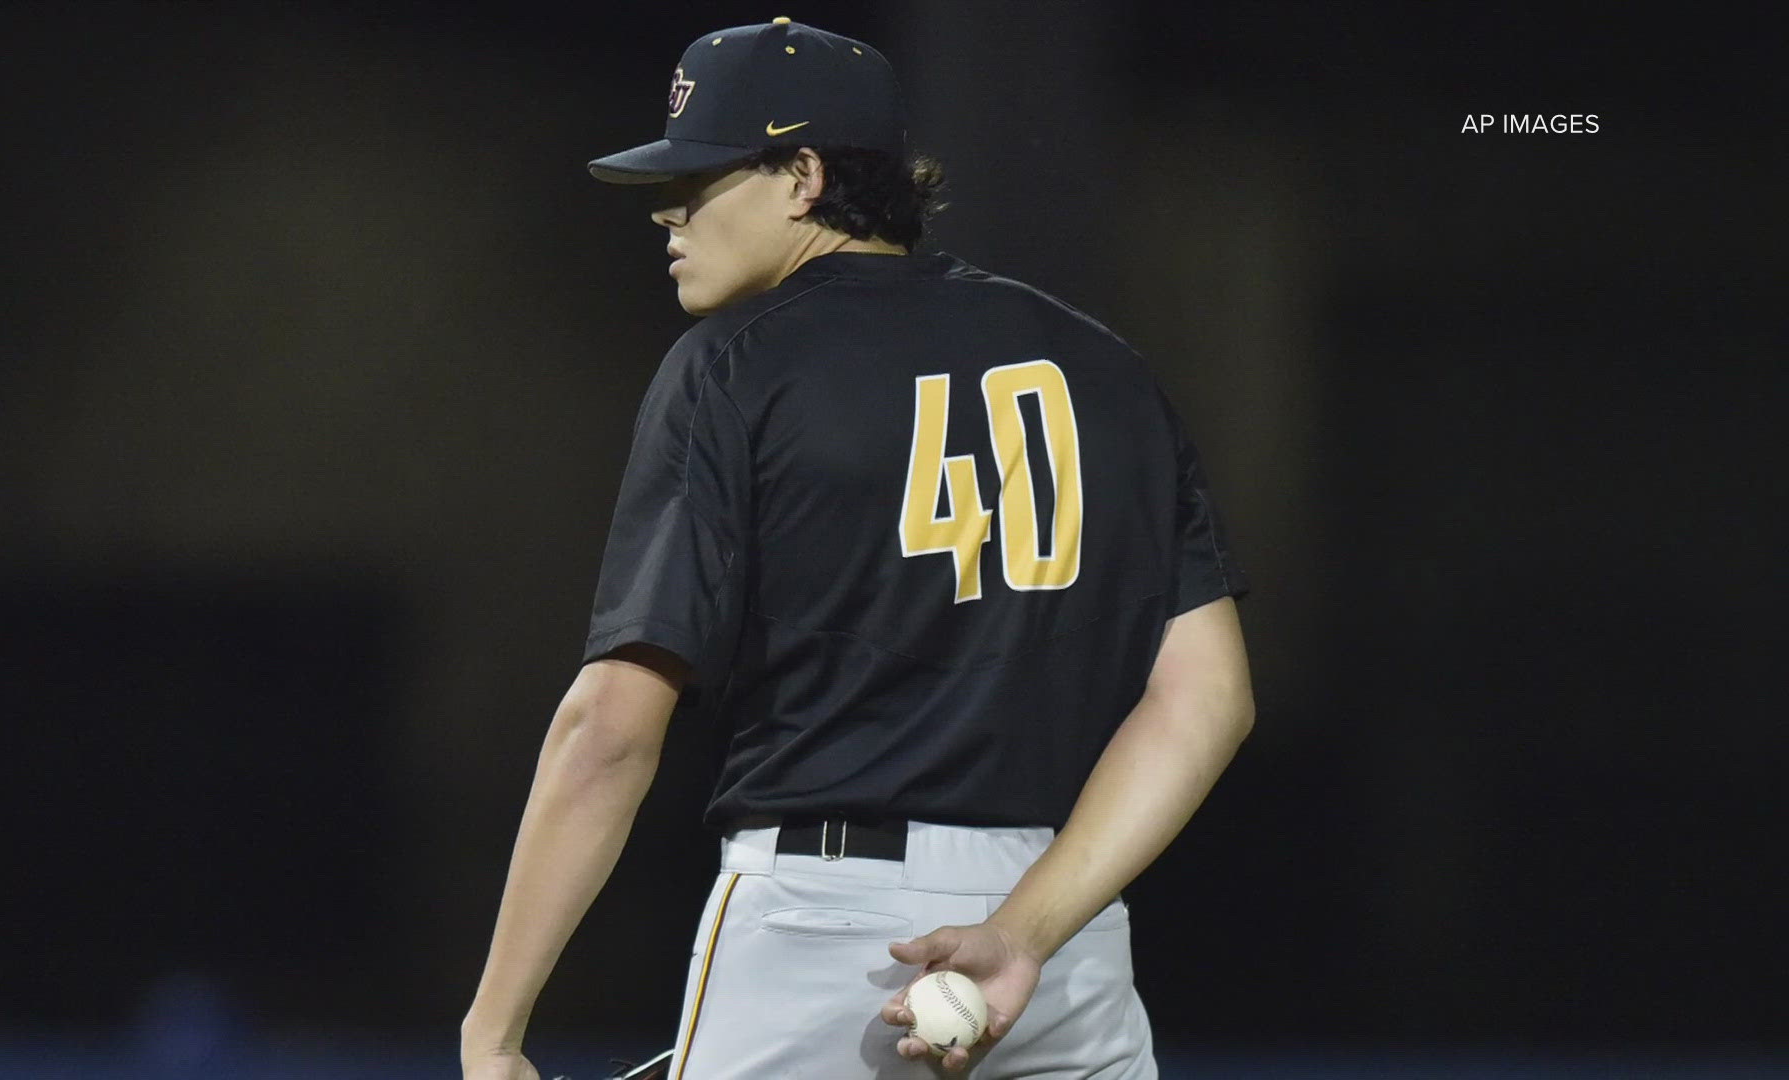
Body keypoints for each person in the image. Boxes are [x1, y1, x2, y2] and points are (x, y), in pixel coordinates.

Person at [461, 18, 1254, 1080]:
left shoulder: (734, 365)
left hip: (828, 930)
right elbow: (1208, 701)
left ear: (801, 176)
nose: (668, 211)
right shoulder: (1104, 369)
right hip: (1061, 946)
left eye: (700, 179)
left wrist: (495, 1027)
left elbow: (608, 728)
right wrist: (1024, 931)